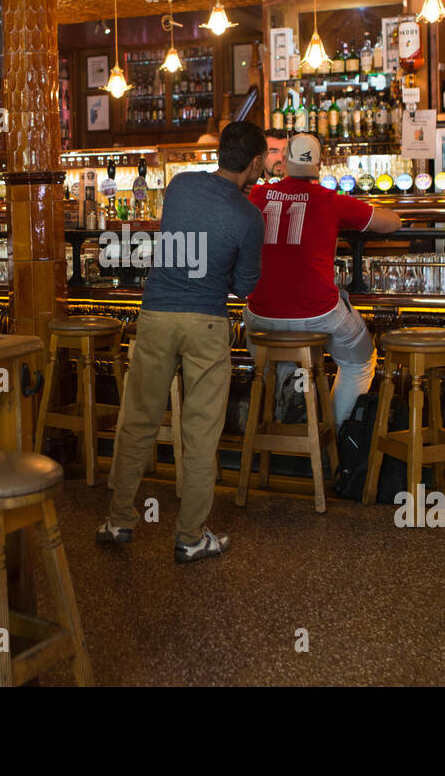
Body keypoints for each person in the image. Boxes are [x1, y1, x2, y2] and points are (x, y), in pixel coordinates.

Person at [99, 121, 266, 562]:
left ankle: (118, 521)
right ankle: (190, 537)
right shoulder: (250, 217)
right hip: (206, 323)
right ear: (253, 164)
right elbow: (246, 287)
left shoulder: (180, 185)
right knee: (200, 433)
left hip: (155, 314)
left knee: (138, 420)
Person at [244, 133, 401, 428]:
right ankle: (331, 435)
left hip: (260, 316)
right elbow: (392, 222)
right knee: (359, 363)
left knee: (279, 361)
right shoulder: (331, 201)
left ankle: (292, 398)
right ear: (319, 164)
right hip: (318, 312)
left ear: (286, 160)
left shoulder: (258, 195)